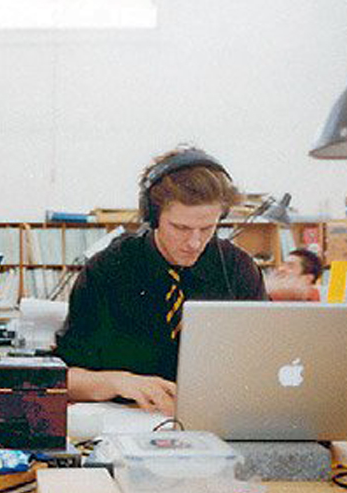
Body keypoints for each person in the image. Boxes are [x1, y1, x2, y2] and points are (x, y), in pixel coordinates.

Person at [54, 147, 266, 414]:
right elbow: (64, 378)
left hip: (217, 421)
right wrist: (118, 382)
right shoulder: (107, 269)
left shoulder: (238, 268)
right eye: (180, 228)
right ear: (152, 217)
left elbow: (264, 365)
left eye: (208, 228)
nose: (195, 242)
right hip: (126, 423)